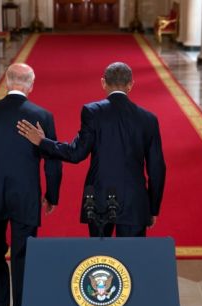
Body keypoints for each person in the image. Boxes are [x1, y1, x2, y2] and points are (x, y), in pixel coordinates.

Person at [17, 62, 165, 237]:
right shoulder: (149, 119)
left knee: (100, 259)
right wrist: (152, 208)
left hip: (99, 199)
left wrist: (43, 142)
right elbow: (157, 168)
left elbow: (76, 153)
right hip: (135, 201)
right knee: (132, 260)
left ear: (103, 83)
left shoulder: (92, 111)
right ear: (131, 84)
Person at [0, 63, 62, 306]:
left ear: (6, 82)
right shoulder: (43, 116)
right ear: (30, 85)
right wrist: (51, 195)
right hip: (27, 197)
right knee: (24, 257)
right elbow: (53, 160)